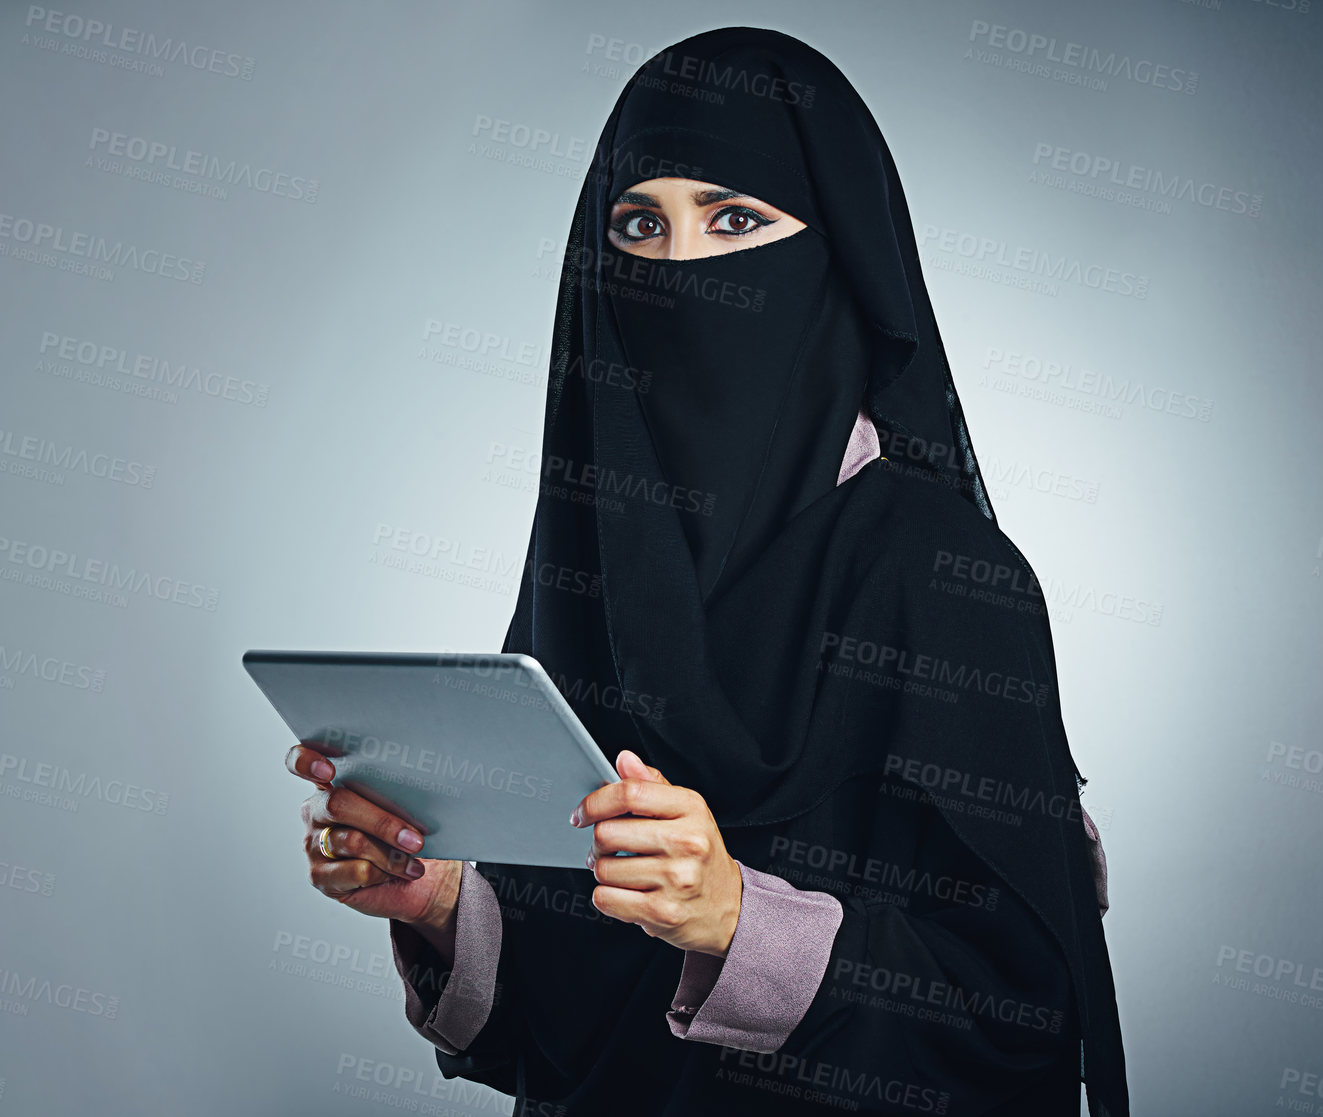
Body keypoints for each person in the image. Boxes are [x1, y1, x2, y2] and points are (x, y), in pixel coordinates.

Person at [286, 25, 1127, 1116]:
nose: (681, 271)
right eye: (640, 225)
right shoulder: (591, 575)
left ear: (833, 259)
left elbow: (1021, 1027)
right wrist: (443, 901)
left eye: (735, 220)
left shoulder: (947, 577)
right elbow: (578, 1035)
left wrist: (740, 920)